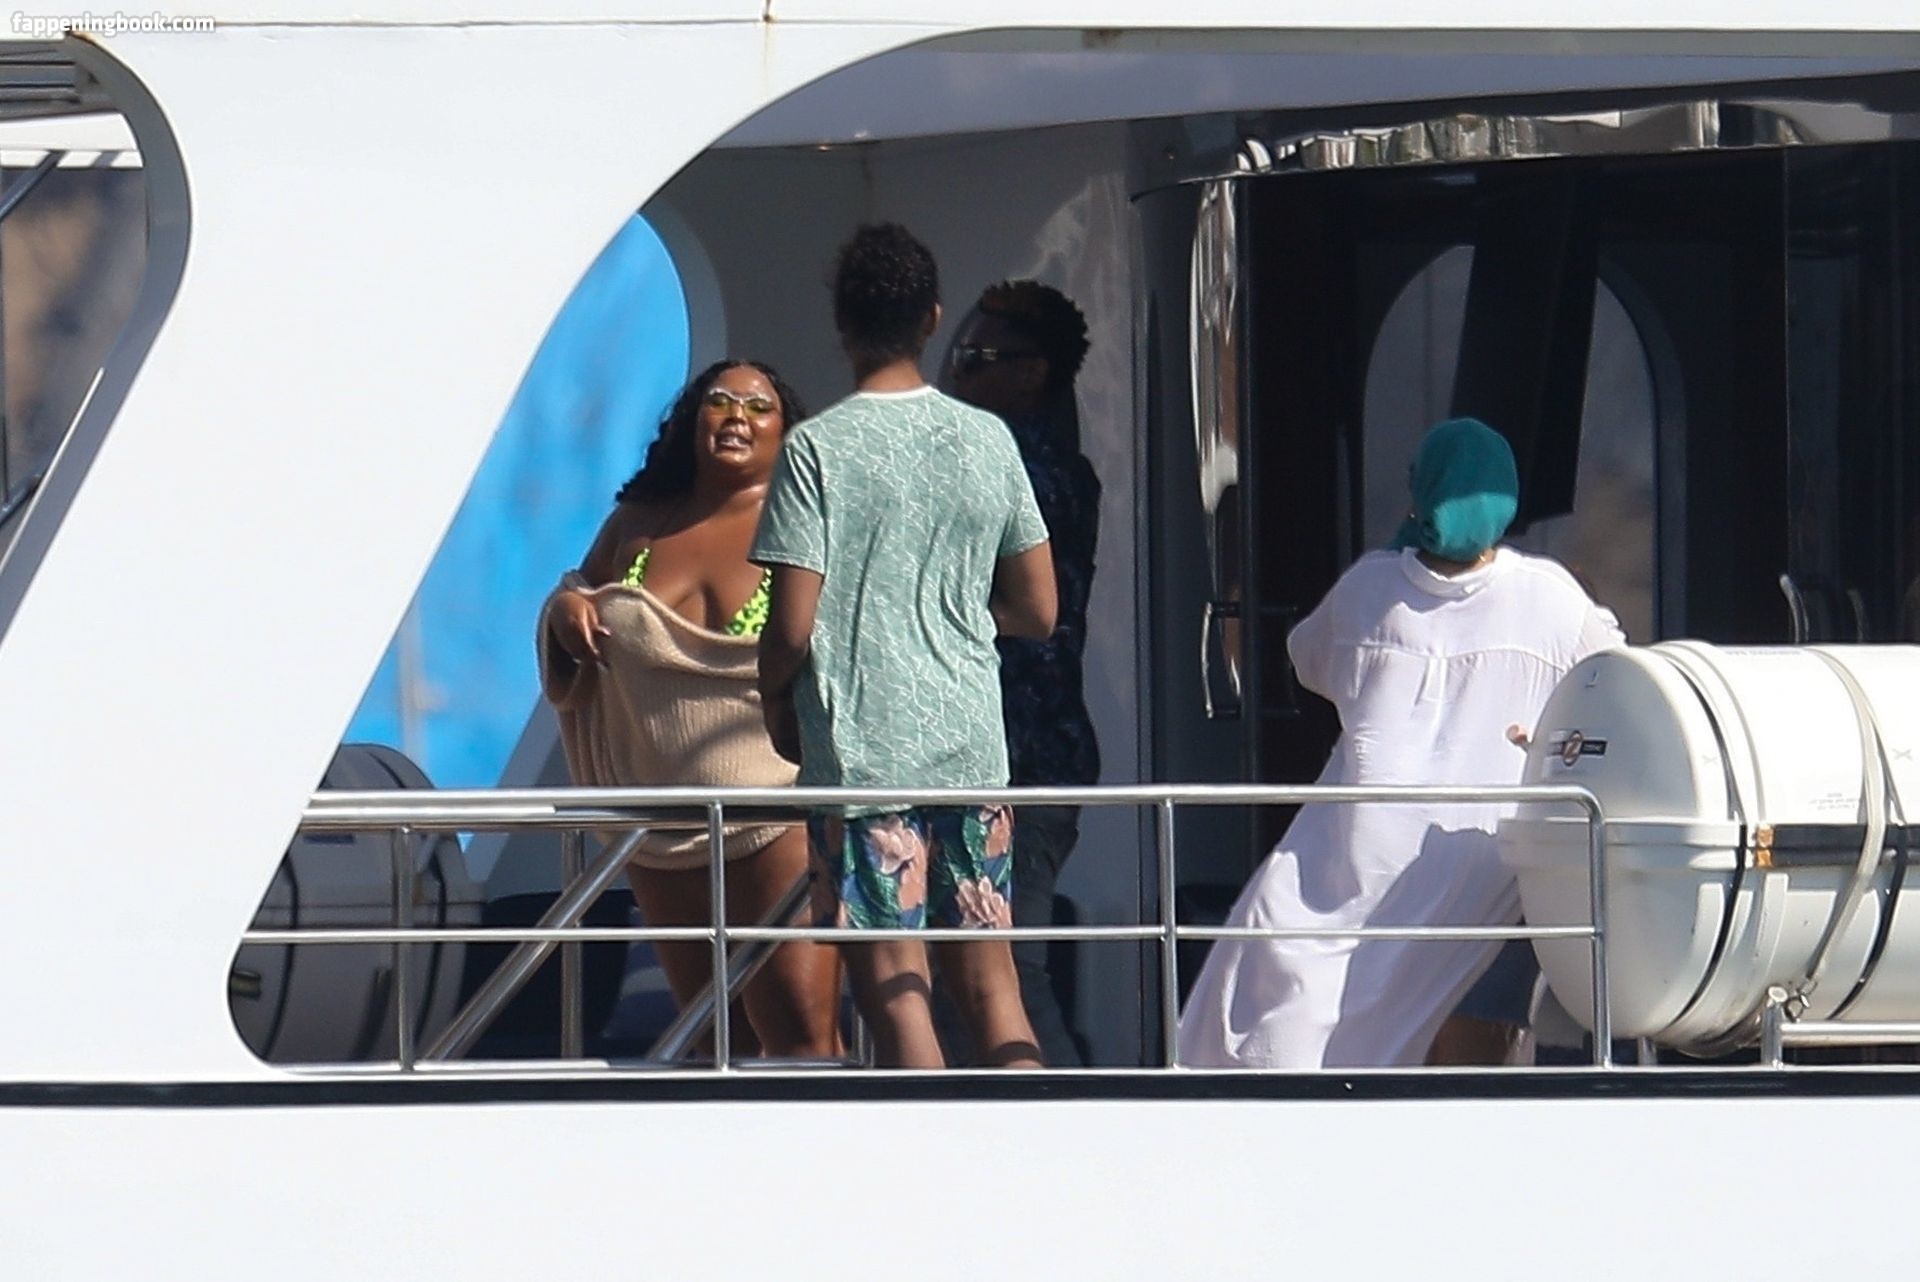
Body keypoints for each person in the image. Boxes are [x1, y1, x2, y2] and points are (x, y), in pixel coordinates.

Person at [1176, 417, 1623, 1069]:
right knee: (1465, 1065)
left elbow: (1307, 659)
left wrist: (1395, 558)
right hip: (1479, 870)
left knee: (1288, 1014)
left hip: (1355, 860)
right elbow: (1617, 681)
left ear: (1421, 492)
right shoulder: (1553, 600)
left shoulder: (1369, 590)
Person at [752, 223, 1058, 1069]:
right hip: (970, 748)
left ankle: (934, 1142)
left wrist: (771, 696)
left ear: (842, 325)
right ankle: (1031, 1123)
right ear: (931, 318)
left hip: (864, 757)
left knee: (895, 986)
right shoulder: (988, 439)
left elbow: (790, 627)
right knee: (992, 984)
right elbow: (1038, 609)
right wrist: (951, 611)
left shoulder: (815, 450)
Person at [538, 359, 841, 1061]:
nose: (737, 417)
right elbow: (575, 594)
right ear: (690, 420)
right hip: (661, 818)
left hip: (779, 811)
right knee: (706, 1037)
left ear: (787, 432)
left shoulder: (812, 527)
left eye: (758, 407)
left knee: (799, 1036)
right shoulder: (637, 526)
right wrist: (566, 610)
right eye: (720, 402)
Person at [941, 280, 1100, 1067]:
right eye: (955, 354)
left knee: (1004, 971)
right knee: (981, 971)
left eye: (975, 358)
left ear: (1032, 372)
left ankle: (1065, 1111)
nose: (953, 373)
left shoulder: (1024, 471)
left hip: (1017, 757)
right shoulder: (1050, 465)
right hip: (1022, 756)